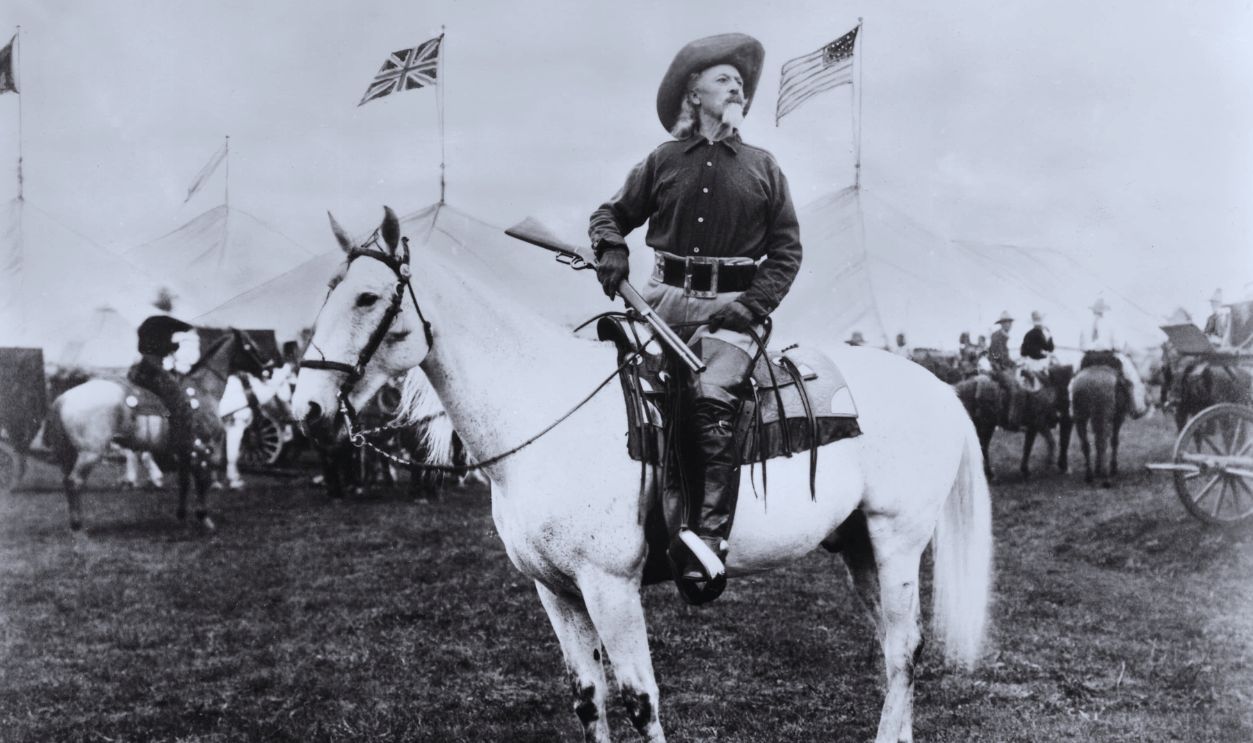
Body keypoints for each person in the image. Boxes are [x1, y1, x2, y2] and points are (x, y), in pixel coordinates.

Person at [589, 33, 801, 584]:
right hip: (657, 305)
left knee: (709, 399)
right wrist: (612, 247)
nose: (737, 88)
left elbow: (787, 251)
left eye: (741, 83)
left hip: (732, 312)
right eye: (723, 78)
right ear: (694, 93)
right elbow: (610, 214)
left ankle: (705, 542)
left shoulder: (764, 167)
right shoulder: (662, 161)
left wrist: (752, 305)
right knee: (614, 391)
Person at [128, 308, 197, 495]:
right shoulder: (162, 326)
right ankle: (178, 437)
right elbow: (165, 344)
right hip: (153, 367)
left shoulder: (147, 326)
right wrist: (175, 345)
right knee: (177, 396)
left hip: (143, 366)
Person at [987, 311, 1022, 429]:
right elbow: (996, 356)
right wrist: (1007, 364)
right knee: (1014, 390)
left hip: (1003, 368)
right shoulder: (997, 337)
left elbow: (1004, 357)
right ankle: (1011, 422)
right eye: (1007, 323)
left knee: (1019, 387)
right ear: (1002, 324)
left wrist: (1014, 363)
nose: (1010, 325)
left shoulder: (1003, 337)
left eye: (1010, 323)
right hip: (998, 370)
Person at [1019, 310, 1055, 375]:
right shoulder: (1040, 334)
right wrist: (1049, 335)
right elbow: (1050, 349)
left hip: (1030, 363)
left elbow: (1023, 352)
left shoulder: (1028, 334)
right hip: (1040, 364)